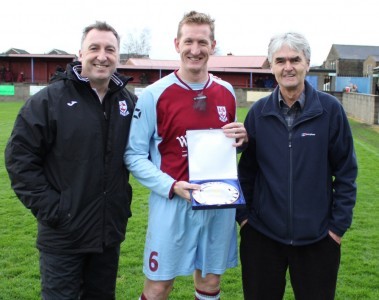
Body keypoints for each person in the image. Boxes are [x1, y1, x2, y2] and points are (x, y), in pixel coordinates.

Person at [5, 21, 137, 299]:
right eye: (95, 48)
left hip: (107, 234)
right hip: (63, 235)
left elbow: (153, 147)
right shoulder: (49, 101)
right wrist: (55, 209)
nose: (102, 55)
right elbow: (20, 160)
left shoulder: (127, 101)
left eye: (110, 49)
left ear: (118, 55)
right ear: (80, 53)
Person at [124, 11, 247, 300]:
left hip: (218, 203)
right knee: (158, 286)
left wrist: (241, 140)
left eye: (202, 42)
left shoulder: (227, 92)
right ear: (176, 44)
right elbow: (134, 154)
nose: (195, 49)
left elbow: (228, 146)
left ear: (213, 45)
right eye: (189, 41)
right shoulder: (154, 95)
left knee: (209, 282)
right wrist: (170, 185)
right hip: (173, 202)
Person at [236, 32, 358, 300]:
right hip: (263, 238)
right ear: (271, 66)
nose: (288, 67)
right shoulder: (258, 113)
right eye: (280, 60)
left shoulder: (330, 110)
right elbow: (245, 172)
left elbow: (347, 173)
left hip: (318, 240)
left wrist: (336, 229)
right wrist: (245, 219)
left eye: (295, 59)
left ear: (307, 63)